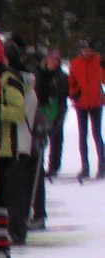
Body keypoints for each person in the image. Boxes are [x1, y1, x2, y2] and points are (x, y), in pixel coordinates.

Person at [0, 39, 37, 245]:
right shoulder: (23, 80)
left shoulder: (12, 81)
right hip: (21, 141)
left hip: (15, 142)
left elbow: (19, 112)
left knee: (14, 192)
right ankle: (17, 229)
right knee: (17, 191)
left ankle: (17, 230)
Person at [68, 39, 104, 178]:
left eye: (88, 49)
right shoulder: (75, 63)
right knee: (82, 135)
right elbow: (71, 82)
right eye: (84, 49)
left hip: (96, 102)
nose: (86, 52)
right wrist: (73, 94)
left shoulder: (99, 61)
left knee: (97, 134)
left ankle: (102, 165)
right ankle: (85, 166)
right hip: (81, 103)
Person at [36, 47, 70, 179]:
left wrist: (56, 90)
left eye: (54, 59)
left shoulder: (62, 76)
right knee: (42, 137)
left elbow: (66, 92)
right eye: (50, 59)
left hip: (57, 109)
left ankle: (54, 166)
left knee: (56, 138)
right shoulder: (42, 74)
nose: (52, 62)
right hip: (44, 109)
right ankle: (40, 165)